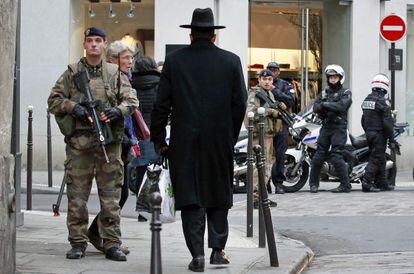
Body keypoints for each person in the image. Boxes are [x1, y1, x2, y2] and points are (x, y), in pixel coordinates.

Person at [150, 8, 247, 272]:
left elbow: (161, 105)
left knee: (191, 196)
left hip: (185, 139)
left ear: (191, 34)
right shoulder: (231, 61)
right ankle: (217, 249)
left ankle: (197, 255)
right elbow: (240, 103)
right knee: (218, 192)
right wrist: (230, 132)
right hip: (219, 139)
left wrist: (158, 139)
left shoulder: (175, 61)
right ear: (214, 36)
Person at [48, 27, 139, 261]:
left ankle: (111, 242)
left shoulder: (114, 73)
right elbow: (54, 100)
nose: (94, 45)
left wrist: (116, 111)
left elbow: (131, 100)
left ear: (105, 44)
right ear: (85, 45)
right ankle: (78, 242)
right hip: (80, 145)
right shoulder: (72, 73)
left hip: (108, 145)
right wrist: (74, 107)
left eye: (98, 40)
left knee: (111, 197)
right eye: (90, 41)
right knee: (77, 197)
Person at [87, 40, 139, 255]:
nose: (130, 61)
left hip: (124, 142)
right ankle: (101, 235)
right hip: (113, 142)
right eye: (126, 58)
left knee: (121, 192)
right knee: (117, 193)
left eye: (131, 57)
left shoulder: (126, 79)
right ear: (112, 59)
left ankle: (101, 234)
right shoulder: (109, 80)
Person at [309, 64, 352, 193]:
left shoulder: (346, 92)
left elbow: (342, 107)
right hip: (326, 126)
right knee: (318, 155)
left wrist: (325, 105)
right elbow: (316, 107)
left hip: (339, 127)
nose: (333, 79)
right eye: (331, 77)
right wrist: (327, 106)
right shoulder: (324, 92)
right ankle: (313, 184)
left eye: (335, 77)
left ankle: (345, 185)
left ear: (340, 78)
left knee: (336, 156)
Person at [130, 56, 161, 221]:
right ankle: (153, 207)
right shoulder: (160, 83)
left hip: (137, 131)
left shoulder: (130, 83)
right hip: (154, 132)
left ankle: (141, 210)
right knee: (155, 170)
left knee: (140, 170)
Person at [245, 69, 280, 207]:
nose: (267, 82)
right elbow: (251, 112)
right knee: (259, 166)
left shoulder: (269, 93)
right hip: (259, 135)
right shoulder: (255, 94)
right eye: (264, 79)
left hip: (268, 134)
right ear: (259, 79)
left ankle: (262, 196)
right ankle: (255, 198)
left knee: (267, 166)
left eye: (270, 79)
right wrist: (270, 111)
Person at [360, 74, 395, 192]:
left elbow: (363, 120)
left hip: (369, 134)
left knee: (381, 159)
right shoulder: (383, 102)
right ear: (385, 87)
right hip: (379, 134)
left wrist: (368, 131)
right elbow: (388, 124)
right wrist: (391, 138)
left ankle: (382, 183)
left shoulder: (366, 100)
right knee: (375, 159)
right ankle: (366, 183)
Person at [266, 62, 296, 194]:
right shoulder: (261, 85)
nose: (273, 72)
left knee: (280, 154)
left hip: (281, 123)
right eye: (270, 70)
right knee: (264, 154)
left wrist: (274, 90)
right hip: (266, 123)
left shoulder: (285, 85)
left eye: (275, 70)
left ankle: (278, 183)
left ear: (279, 71)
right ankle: (265, 183)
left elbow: (291, 100)